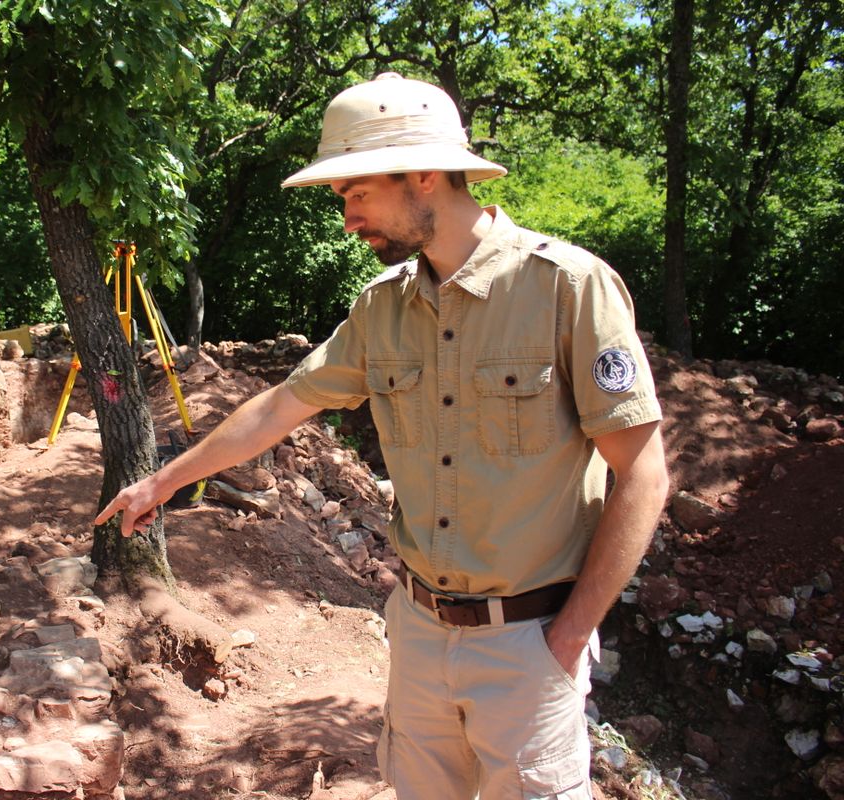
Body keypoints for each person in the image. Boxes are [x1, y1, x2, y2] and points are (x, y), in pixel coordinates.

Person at [95, 72, 669, 799]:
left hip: (531, 645)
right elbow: (280, 408)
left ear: (425, 174)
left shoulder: (567, 288)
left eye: (357, 193)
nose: (347, 219)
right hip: (420, 633)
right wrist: (164, 481)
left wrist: (565, 639)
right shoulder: (382, 309)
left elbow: (643, 475)